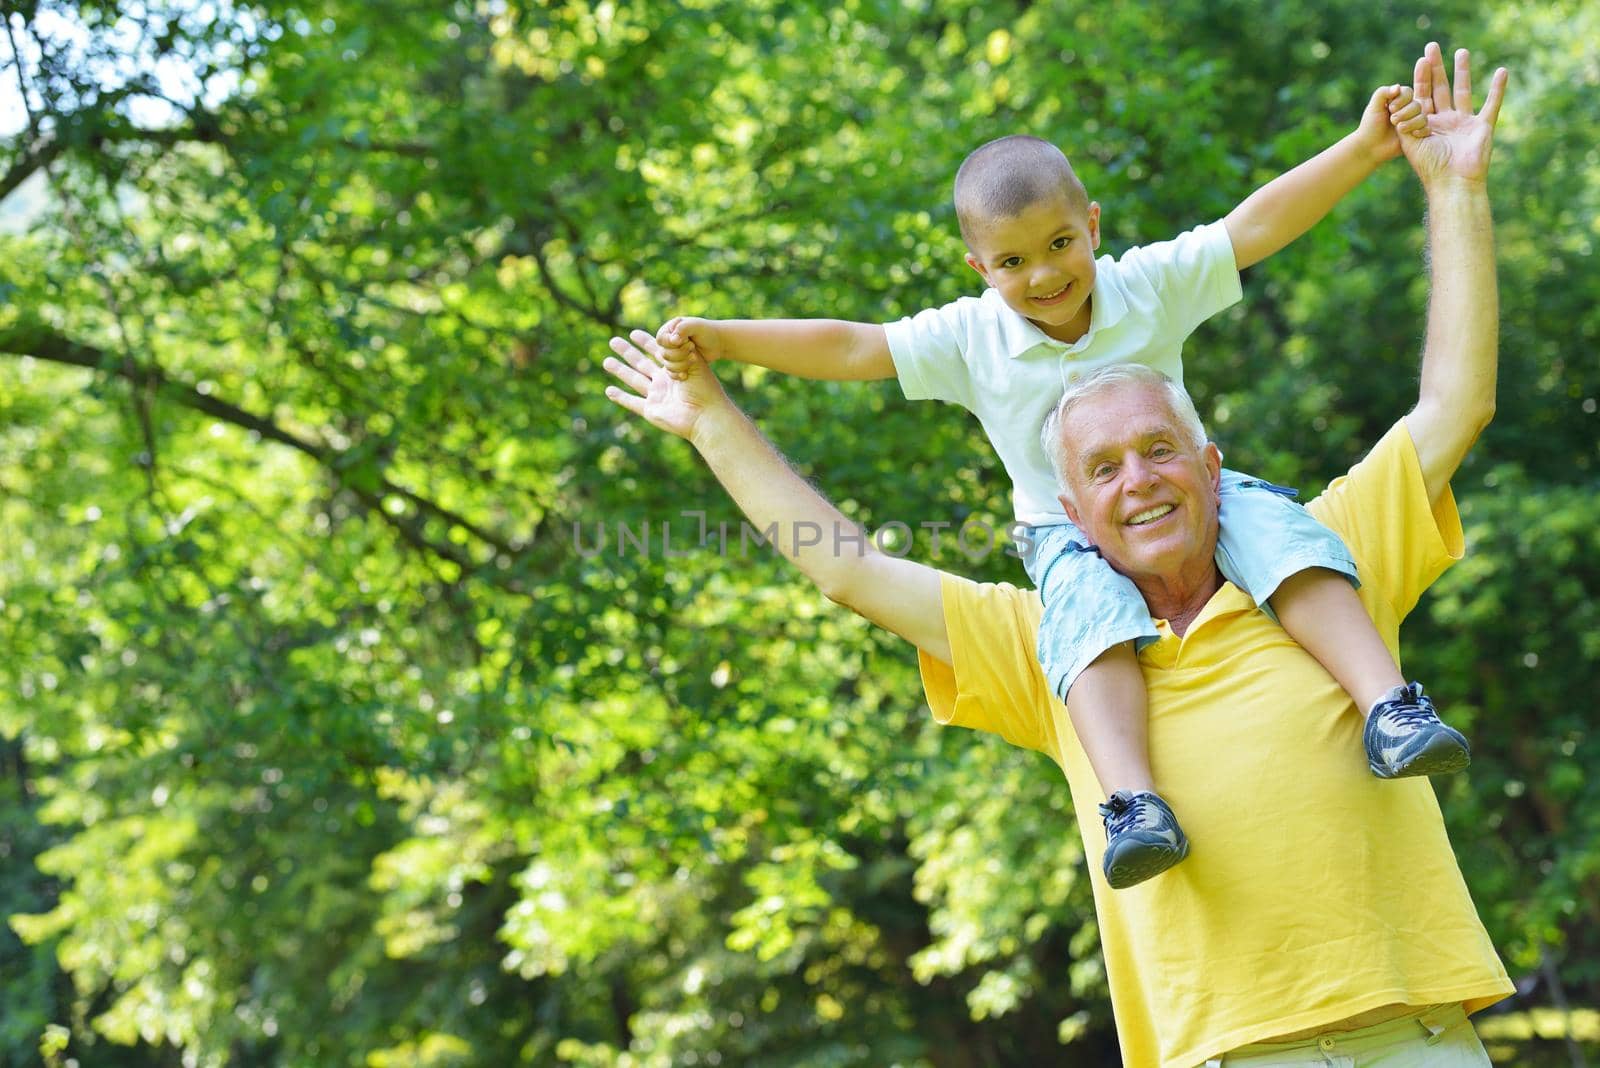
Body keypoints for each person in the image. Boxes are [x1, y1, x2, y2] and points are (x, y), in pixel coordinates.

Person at [605, 42, 1513, 1068]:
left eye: (1159, 452)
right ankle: (1134, 803)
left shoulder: (1315, 551)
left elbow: (1444, 394)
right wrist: (716, 386)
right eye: (1105, 468)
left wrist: (1432, 180)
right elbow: (846, 545)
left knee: (1285, 543)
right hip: (1222, 1050)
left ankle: (1392, 706)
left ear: (1208, 464)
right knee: (1090, 630)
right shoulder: (1051, 641)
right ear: (1074, 503)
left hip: (1416, 1034)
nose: (1137, 480)